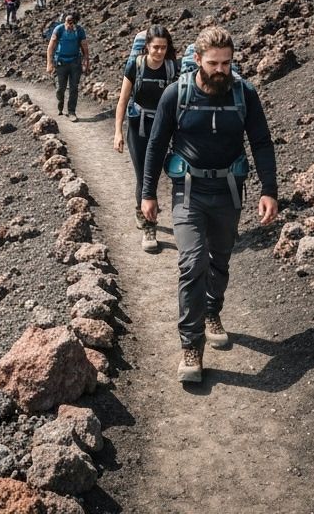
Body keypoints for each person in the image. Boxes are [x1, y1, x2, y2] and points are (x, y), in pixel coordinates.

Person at [141, 26, 278, 383]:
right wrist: (148, 193)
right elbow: (156, 145)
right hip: (189, 191)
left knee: (220, 259)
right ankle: (191, 346)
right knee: (192, 262)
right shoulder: (177, 94)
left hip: (229, 191)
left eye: (227, 63)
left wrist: (269, 189)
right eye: (214, 63)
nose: (222, 70)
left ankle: (212, 310)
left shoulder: (244, 93)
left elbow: (261, 142)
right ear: (198, 60)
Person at [113, 25, 179, 253]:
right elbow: (122, 100)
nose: (159, 52)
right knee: (144, 174)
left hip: (162, 128)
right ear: (146, 47)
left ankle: (140, 207)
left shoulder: (172, 69)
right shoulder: (135, 65)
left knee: (157, 173)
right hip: (138, 127)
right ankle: (150, 227)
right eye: (155, 47)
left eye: (163, 47)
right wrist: (118, 132)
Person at [46, 12, 90, 121]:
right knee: (60, 88)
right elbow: (51, 47)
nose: (68, 25)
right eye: (66, 22)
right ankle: (60, 103)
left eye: (71, 23)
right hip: (61, 62)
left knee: (74, 88)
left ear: (75, 23)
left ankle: (71, 111)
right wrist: (49, 63)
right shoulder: (59, 29)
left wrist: (86, 63)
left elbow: (85, 48)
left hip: (75, 62)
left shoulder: (80, 31)